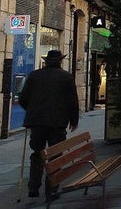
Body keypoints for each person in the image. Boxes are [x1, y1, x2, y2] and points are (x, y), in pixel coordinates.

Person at [18, 49, 79, 200]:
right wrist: (74, 120)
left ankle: (33, 188)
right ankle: (51, 189)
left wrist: (32, 111)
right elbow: (72, 101)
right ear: (60, 61)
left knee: (37, 153)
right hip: (57, 123)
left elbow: (23, 98)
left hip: (36, 122)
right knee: (55, 155)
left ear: (46, 62)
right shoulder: (66, 77)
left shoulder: (34, 75)